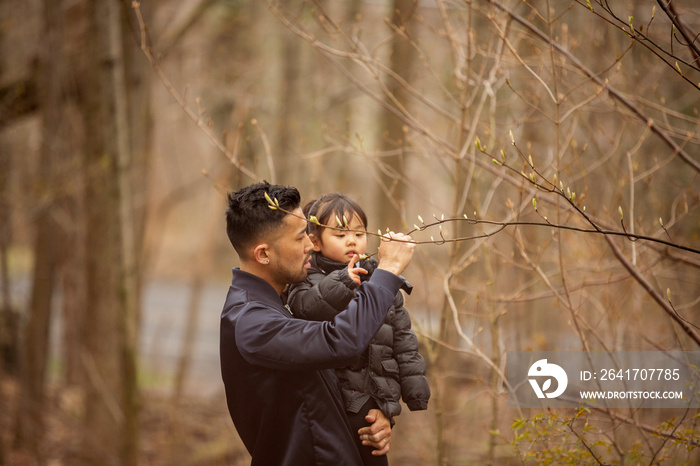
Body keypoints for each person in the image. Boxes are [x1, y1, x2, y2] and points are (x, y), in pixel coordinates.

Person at [220, 181, 416, 465]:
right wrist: (387, 272)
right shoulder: (251, 321)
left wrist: (374, 416)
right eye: (301, 238)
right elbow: (339, 341)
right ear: (263, 254)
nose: (312, 246)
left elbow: (320, 388)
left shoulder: (276, 303)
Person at [286, 193, 430, 465]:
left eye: (359, 233)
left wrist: (414, 393)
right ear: (314, 241)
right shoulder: (306, 278)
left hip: (376, 398)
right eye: (340, 235)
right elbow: (305, 308)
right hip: (338, 400)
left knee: (374, 457)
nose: (352, 240)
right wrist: (344, 281)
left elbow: (403, 340)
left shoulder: (382, 279)